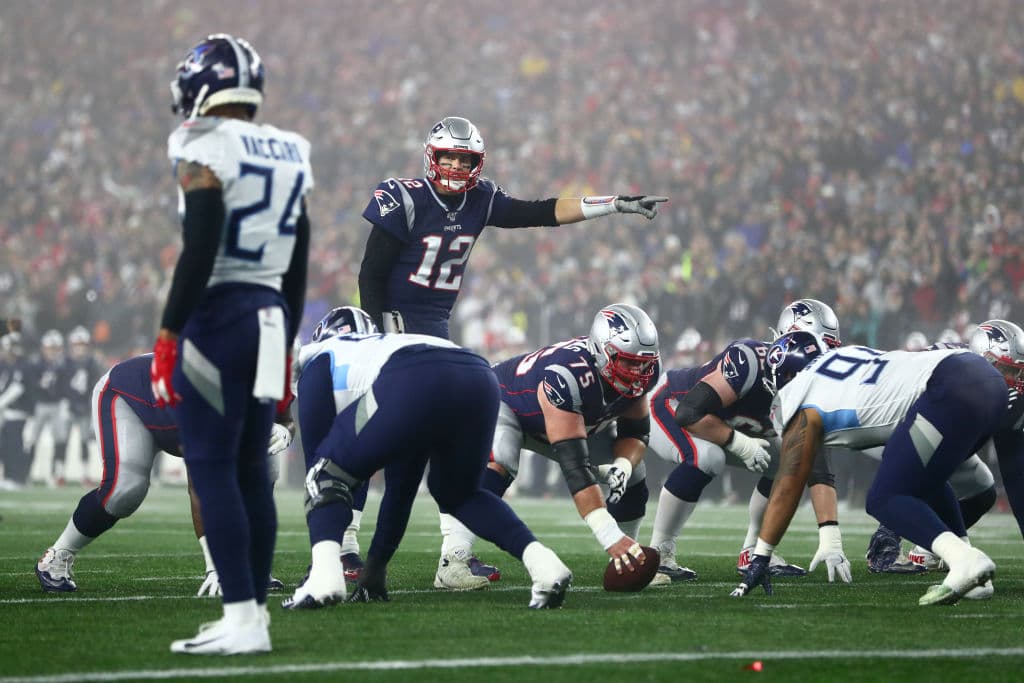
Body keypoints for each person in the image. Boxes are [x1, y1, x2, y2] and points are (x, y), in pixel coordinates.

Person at [357, 116, 667, 583]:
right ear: (431, 157)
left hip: (436, 333)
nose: (459, 166)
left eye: (467, 158)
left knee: (423, 447)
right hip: (396, 327)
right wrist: (378, 334)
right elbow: (371, 273)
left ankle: (448, 559)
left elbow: (540, 211)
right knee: (371, 438)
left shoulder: (481, 200)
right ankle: (345, 548)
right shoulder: (403, 197)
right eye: (450, 157)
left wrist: (614, 204)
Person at [152, 33, 313, 655]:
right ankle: (255, 619)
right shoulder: (291, 148)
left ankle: (242, 617)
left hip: (220, 313)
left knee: (212, 465)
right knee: (253, 469)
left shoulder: (198, 141)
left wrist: (169, 329)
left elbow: (201, 241)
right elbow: (298, 256)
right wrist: (287, 336)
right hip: (273, 315)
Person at [284, 306, 572, 609]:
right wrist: (376, 568)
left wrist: (325, 554)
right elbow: (401, 486)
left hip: (414, 376)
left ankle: (323, 578)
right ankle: (544, 564)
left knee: (323, 475)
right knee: (459, 495)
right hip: (478, 373)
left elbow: (321, 475)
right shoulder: (380, 352)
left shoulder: (316, 358)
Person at [731, 331, 1017, 606]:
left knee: (884, 498)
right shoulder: (848, 357)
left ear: (785, 375)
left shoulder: (799, 393)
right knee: (925, 477)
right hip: (984, 380)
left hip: (948, 387)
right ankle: (973, 576)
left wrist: (762, 554)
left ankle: (964, 560)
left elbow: (790, 481)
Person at [435, 303, 660, 589]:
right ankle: (451, 560)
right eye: (629, 362)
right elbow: (575, 469)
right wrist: (609, 536)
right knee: (500, 459)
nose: (638, 370)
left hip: (556, 421)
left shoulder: (643, 372)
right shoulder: (567, 375)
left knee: (633, 474)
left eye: (644, 362)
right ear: (603, 351)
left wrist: (623, 465)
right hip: (499, 400)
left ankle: (629, 558)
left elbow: (637, 432)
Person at [34, 353, 292, 595]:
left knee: (266, 466)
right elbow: (200, 485)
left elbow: (285, 417)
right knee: (125, 490)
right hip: (129, 397)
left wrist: (286, 430)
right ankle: (58, 555)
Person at [645, 332, 850, 586]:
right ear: (785, 374)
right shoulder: (748, 361)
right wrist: (739, 444)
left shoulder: (804, 391)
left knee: (789, 463)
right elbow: (689, 413)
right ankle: (657, 554)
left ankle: (755, 552)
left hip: (721, 422)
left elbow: (819, 470)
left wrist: (830, 538)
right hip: (671, 403)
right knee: (707, 457)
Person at [866, 320, 1024, 574]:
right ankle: (887, 539)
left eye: (1020, 372)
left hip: (933, 429)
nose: (1017, 380)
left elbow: (1016, 473)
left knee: (982, 491)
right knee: (919, 476)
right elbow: (927, 458)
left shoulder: (997, 393)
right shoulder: (957, 380)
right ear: (986, 361)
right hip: (886, 422)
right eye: (1009, 370)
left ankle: (930, 544)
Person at [26, 329, 70, 485]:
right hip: (40, 404)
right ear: (43, 348)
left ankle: (56, 472)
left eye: (55, 348)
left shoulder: (63, 365)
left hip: (56, 404)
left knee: (60, 439)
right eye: (50, 348)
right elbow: (31, 386)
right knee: (32, 440)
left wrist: (65, 402)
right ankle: (28, 472)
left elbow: (65, 386)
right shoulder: (36, 364)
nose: (52, 352)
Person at [0, 332, 31, 488]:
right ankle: (7, 476)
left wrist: (1, 403)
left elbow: (17, 388)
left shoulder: (22, 365)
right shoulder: (5, 366)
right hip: (7, 412)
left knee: (15, 446)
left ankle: (17, 478)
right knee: (5, 445)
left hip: (19, 411)